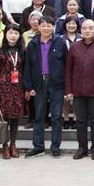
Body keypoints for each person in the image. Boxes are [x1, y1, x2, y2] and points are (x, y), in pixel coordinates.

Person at [23, 16, 67, 158]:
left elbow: (66, 64)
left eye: (49, 25)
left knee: (56, 116)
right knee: (39, 116)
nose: (46, 28)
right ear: (38, 27)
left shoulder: (60, 42)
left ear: (53, 27)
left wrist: (67, 86)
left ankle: (55, 147)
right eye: (43, 25)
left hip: (56, 84)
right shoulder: (33, 44)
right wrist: (29, 87)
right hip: (39, 84)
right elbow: (27, 67)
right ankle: (38, 147)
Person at [64, 19, 94, 160]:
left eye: (90, 28)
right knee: (80, 121)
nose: (87, 31)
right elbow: (68, 71)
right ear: (80, 30)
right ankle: (82, 148)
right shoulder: (74, 47)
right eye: (84, 28)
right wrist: (69, 90)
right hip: (78, 90)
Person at [0, 24, 26, 159]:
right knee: (4, 118)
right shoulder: (0, 51)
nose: (13, 36)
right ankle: (4, 145)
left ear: (19, 36)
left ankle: (13, 145)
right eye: (10, 33)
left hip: (18, 88)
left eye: (16, 33)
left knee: (15, 118)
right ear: (5, 34)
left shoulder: (22, 51)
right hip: (3, 88)